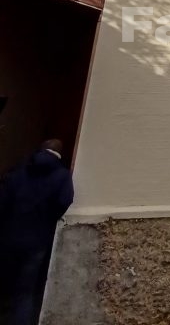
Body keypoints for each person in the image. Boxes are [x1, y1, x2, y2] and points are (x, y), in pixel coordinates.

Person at [0, 139, 74, 325]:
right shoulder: (62, 175)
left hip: (9, 236)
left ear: (42, 148)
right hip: (37, 240)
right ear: (60, 153)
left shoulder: (21, 170)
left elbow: (3, 200)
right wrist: (49, 219)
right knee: (25, 292)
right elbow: (65, 200)